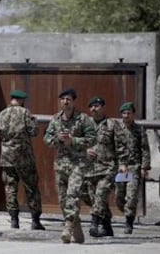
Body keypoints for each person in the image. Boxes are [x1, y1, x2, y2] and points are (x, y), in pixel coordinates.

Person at [43, 88, 95, 243]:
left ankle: (67, 227)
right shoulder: (55, 119)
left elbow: (92, 138)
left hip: (78, 164)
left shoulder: (83, 119)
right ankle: (76, 228)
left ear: (74, 102)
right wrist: (58, 139)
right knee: (63, 199)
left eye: (69, 99)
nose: (66, 102)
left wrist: (73, 141)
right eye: (63, 99)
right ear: (60, 101)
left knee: (72, 194)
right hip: (60, 165)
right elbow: (46, 139)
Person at [0, 89, 45, 230]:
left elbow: (0, 132)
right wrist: (34, 122)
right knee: (31, 188)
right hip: (24, 157)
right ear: (21, 100)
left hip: (7, 156)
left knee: (10, 188)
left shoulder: (2, 114)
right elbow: (33, 131)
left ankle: (14, 220)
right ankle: (35, 220)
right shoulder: (25, 113)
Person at [84, 96, 128, 237]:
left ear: (103, 107)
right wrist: (84, 151)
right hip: (90, 169)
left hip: (108, 168)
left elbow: (121, 145)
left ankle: (94, 223)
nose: (93, 109)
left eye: (96, 106)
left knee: (101, 194)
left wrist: (122, 163)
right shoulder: (85, 124)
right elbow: (77, 143)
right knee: (96, 199)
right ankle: (107, 226)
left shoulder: (112, 124)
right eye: (91, 106)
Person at [115, 102, 151, 234]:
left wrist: (144, 167)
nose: (126, 116)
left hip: (134, 167)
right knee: (119, 197)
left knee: (131, 196)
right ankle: (126, 213)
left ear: (133, 114)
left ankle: (129, 222)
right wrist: (119, 164)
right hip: (120, 168)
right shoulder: (117, 129)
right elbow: (113, 148)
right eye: (124, 113)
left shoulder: (139, 130)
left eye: (128, 113)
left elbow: (145, 149)